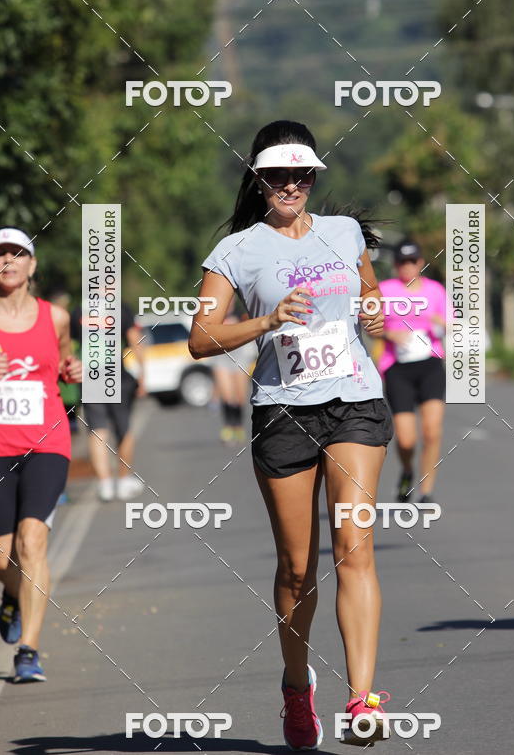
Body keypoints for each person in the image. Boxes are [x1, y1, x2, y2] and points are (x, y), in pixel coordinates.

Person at [190, 120, 394, 748]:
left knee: (353, 546)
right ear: (259, 178)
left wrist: (375, 311)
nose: (290, 185)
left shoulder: (345, 232)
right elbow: (201, 338)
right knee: (297, 568)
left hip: (354, 402)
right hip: (282, 411)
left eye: (300, 173)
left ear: (313, 176)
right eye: (277, 174)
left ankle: (362, 698)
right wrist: (267, 320)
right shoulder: (237, 252)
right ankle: (295, 683)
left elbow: (368, 298)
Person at [0, 227, 82, 682]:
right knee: (2, 560)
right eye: (0, 253)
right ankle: (14, 596)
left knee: (32, 540)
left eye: (17, 253)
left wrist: (73, 370)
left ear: (32, 264)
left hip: (47, 441)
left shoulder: (56, 317)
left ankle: (28, 651)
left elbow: (65, 362)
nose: (8, 261)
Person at [378, 241, 447, 504]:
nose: (408, 267)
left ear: (420, 263)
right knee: (407, 439)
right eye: (402, 262)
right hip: (397, 368)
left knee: (432, 431)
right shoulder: (385, 290)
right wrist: (388, 333)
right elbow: (370, 325)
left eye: (413, 261)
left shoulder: (435, 290)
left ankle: (426, 490)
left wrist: (441, 323)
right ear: (396, 265)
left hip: (430, 364)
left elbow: (451, 323)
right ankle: (407, 470)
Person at [70, 300, 146, 502]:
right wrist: (143, 375)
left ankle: (104, 484)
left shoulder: (79, 310)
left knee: (97, 431)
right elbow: (134, 340)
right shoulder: (120, 309)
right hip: (117, 377)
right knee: (124, 430)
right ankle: (123, 480)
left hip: (90, 378)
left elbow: (68, 345)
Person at [210, 301, 255, 444]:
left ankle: (239, 426)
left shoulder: (241, 316)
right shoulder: (214, 318)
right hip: (222, 359)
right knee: (227, 395)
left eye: (230, 303)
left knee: (240, 397)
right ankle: (228, 427)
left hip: (240, 357)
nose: (228, 305)